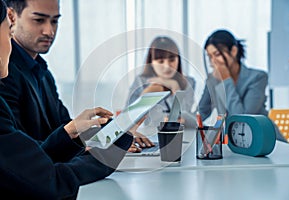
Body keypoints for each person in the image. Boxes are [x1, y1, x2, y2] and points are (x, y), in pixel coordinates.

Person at [0, 1, 134, 199]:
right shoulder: (8, 78)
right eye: (39, 20)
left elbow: (24, 158)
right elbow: (41, 177)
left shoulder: (43, 73)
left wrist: (80, 132)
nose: (49, 31)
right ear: (12, 17)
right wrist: (109, 153)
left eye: (55, 21)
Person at [198, 29, 286, 142]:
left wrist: (226, 80)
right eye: (210, 57)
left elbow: (242, 120)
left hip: (265, 141)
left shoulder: (258, 77)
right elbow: (202, 112)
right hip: (238, 143)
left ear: (233, 51)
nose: (213, 62)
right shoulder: (213, 80)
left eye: (217, 54)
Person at [126, 36, 196, 149]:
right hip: (148, 137)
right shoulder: (141, 81)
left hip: (182, 138)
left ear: (178, 59)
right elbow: (128, 117)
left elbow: (184, 114)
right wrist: (147, 92)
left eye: (172, 60)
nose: (167, 66)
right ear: (151, 62)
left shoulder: (188, 82)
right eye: (160, 61)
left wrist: (174, 87)